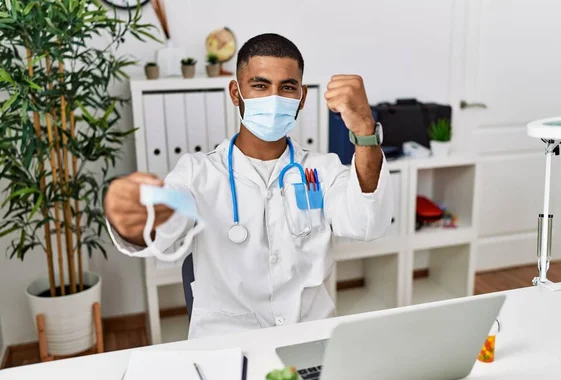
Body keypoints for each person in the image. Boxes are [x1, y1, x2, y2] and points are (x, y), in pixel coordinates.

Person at [104, 33, 394, 339]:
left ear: (302, 97)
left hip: (311, 334)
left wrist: (364, 131)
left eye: (287, 87)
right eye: (260, 85)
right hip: (225, 342)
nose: (274, 98)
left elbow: (368, 224)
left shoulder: (321, 170)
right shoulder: (197, 173)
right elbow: (165, 221)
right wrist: (135, 215)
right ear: (235, 91)